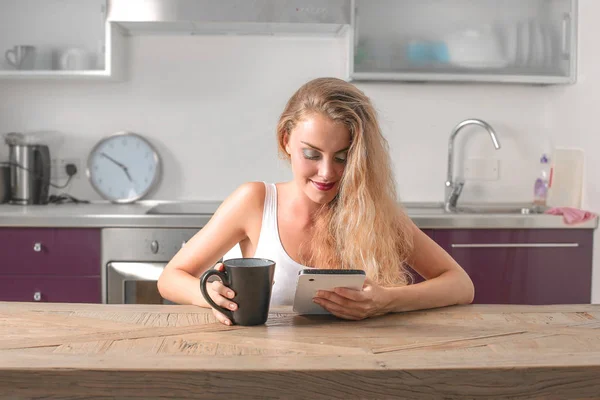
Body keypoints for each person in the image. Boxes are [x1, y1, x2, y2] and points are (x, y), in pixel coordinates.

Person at [157, 77, 474, 325]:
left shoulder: (373, 211)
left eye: (342, 157)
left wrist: (388, 300)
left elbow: (460, 285)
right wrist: (208, 293)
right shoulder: (255, 201)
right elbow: (171, 278)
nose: (326, 173)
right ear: (286, 141)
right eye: (312, 154)